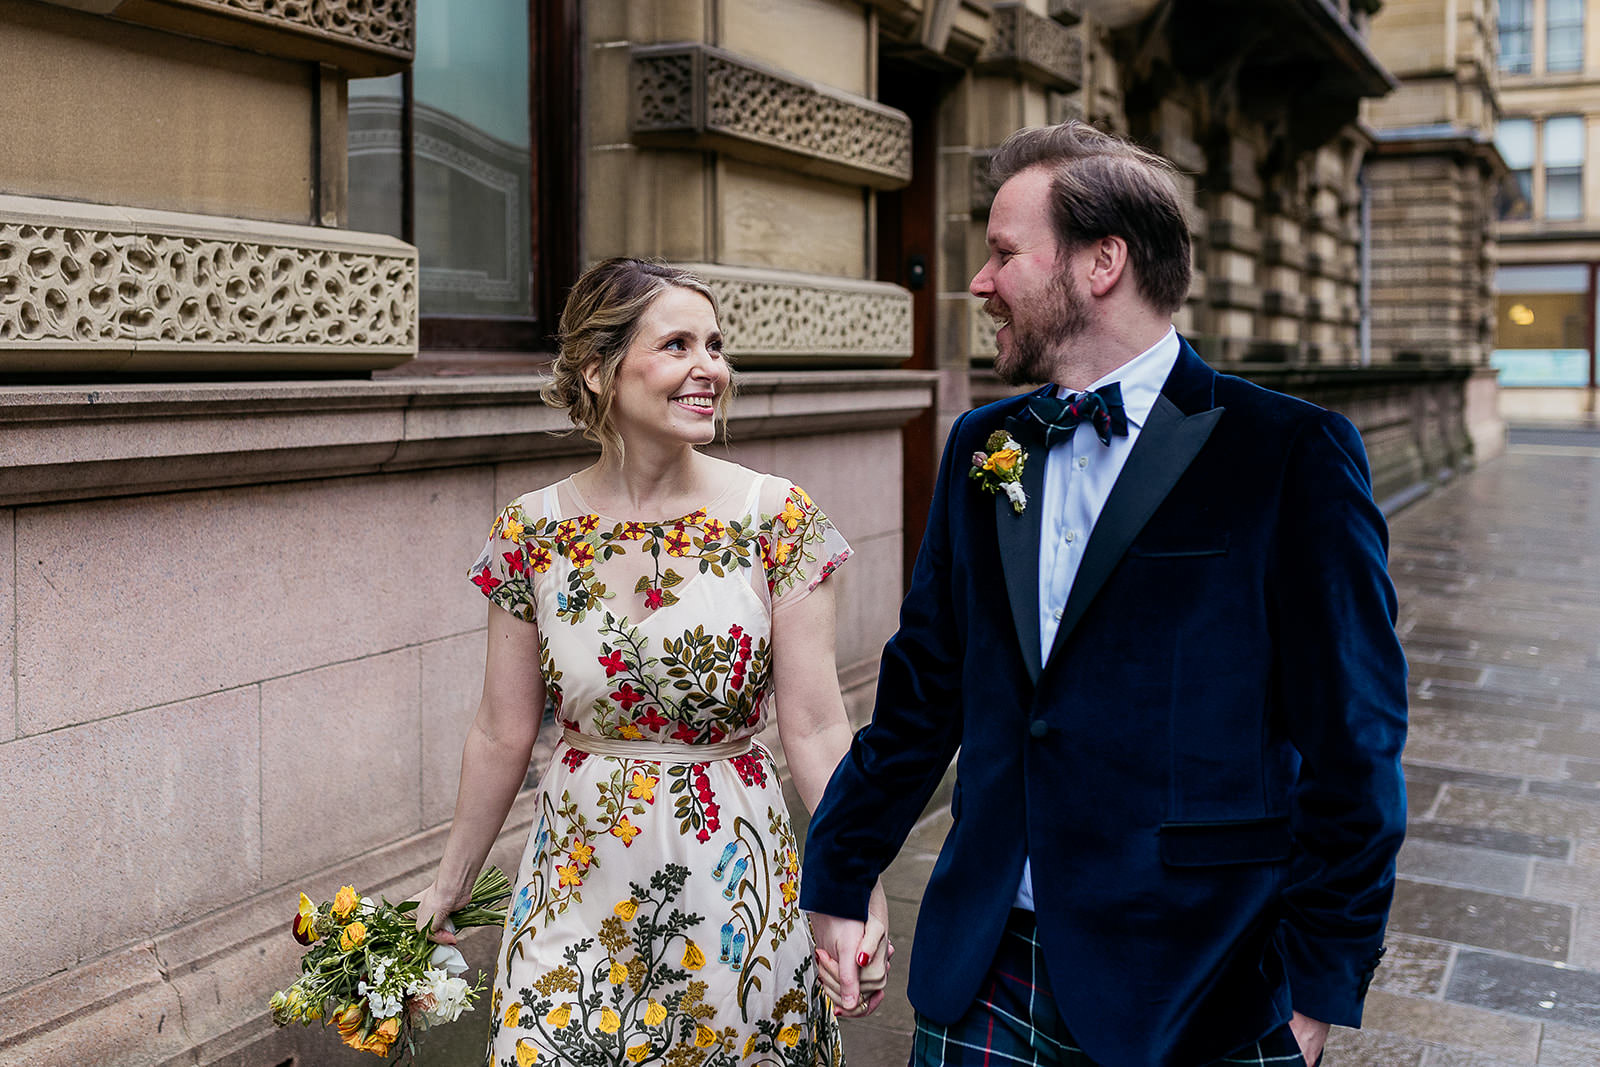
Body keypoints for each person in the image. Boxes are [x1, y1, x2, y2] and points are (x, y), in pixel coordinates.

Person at [800, 121, 1408, 1067]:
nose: (980, 280)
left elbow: (1355, 744)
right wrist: (839, 872)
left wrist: (1321, 982)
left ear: (1102, 262)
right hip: (985, 963)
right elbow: (922, 690)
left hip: (1201, 984)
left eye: (1004, 252)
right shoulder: (981, 447)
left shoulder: (1288, 452)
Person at [413, 257, 890, 1067]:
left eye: (716, 344)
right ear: (599, 371)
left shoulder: (774, 517)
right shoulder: (530, 532)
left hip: (730, 881)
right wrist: (448, 883)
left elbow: (815, 728)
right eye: (678, 345)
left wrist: (857, 886)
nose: (711, 368)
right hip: (575, 874)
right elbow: (501, 731)